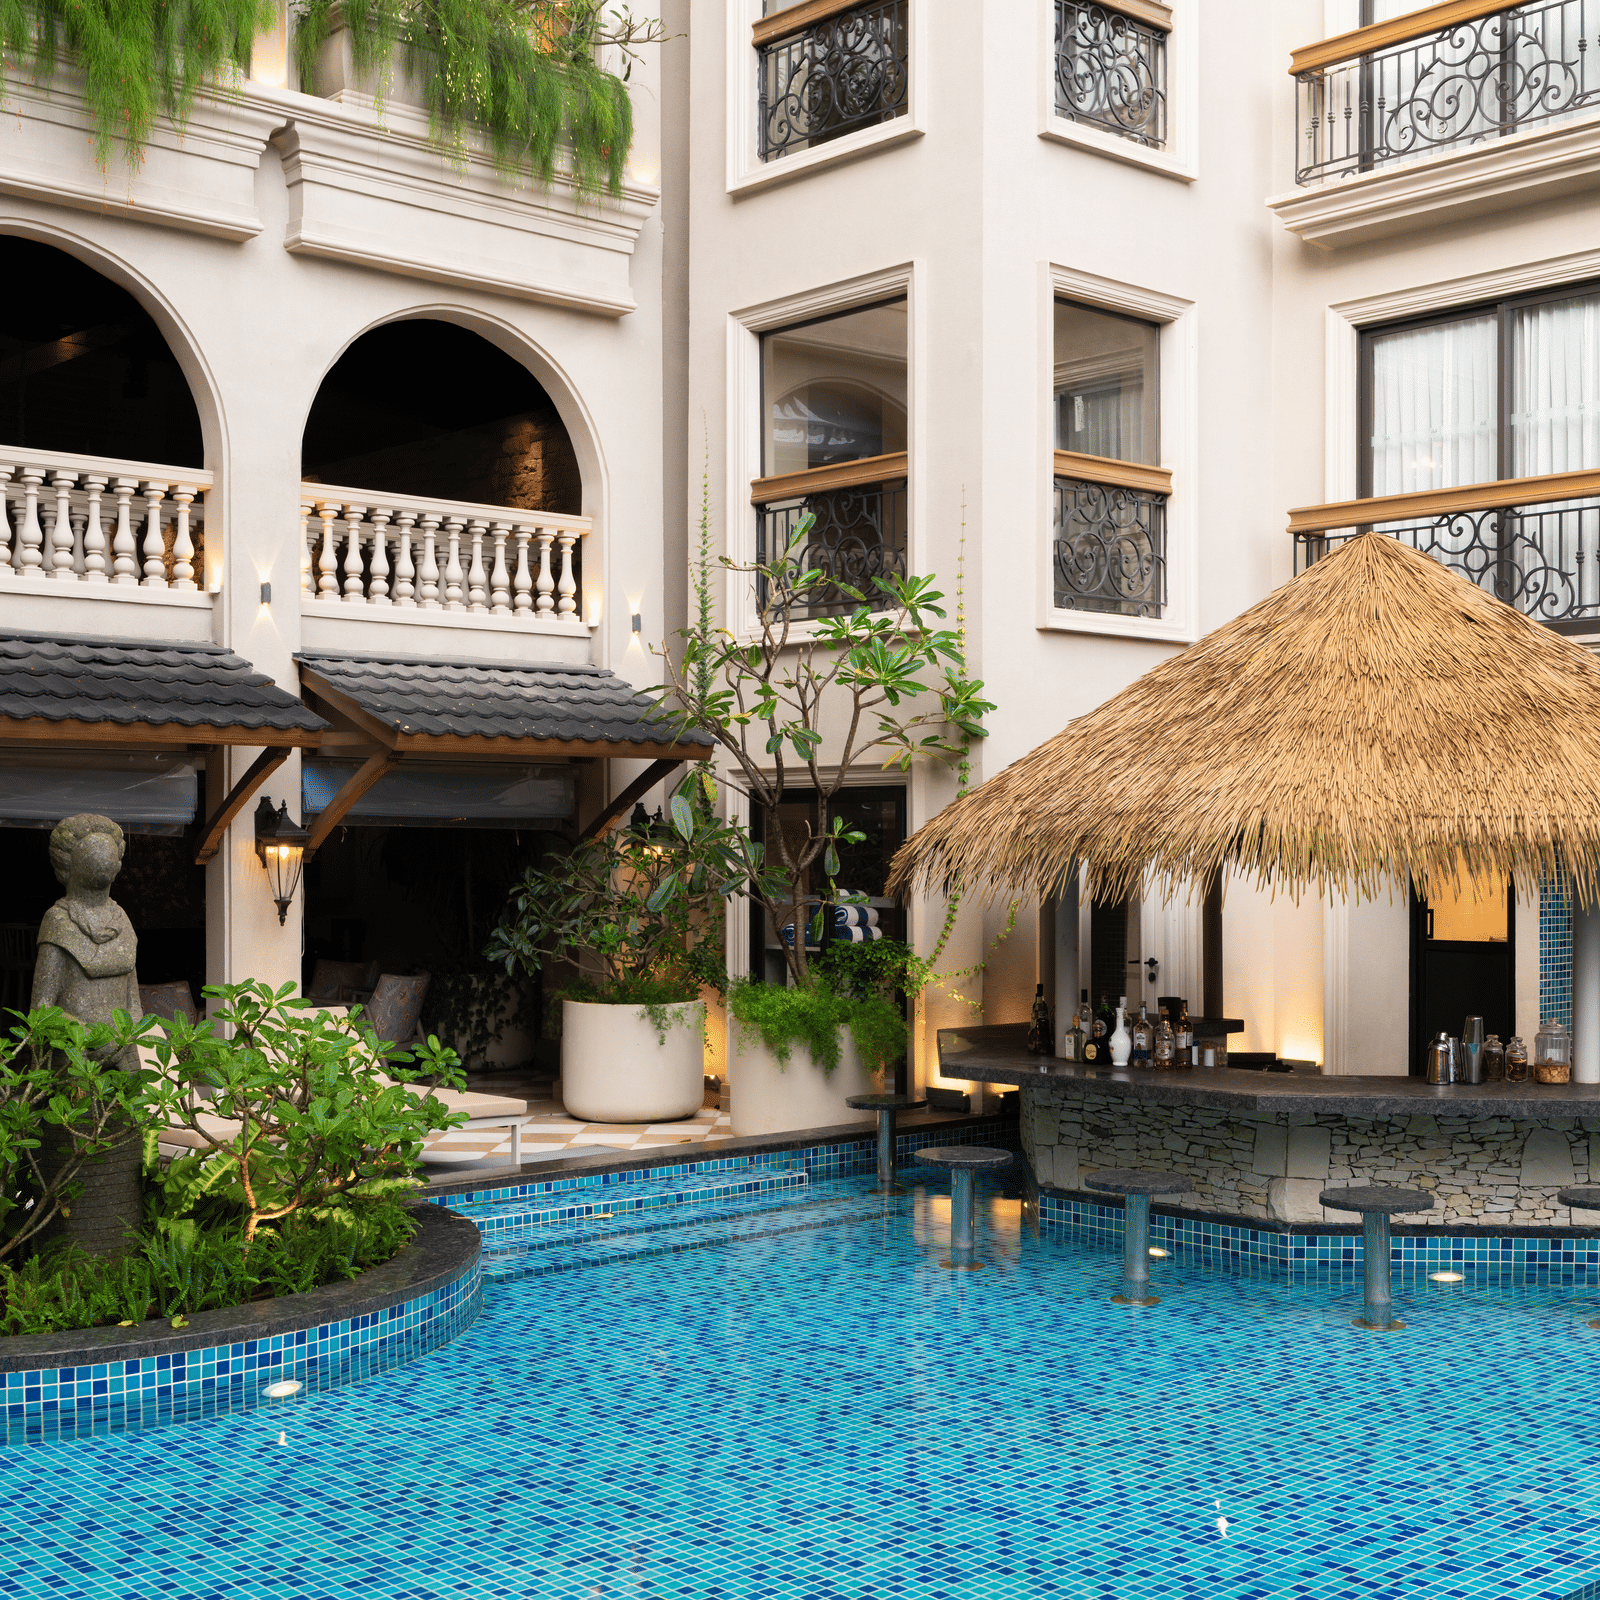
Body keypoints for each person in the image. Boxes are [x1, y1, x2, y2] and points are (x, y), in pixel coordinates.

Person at [30, 813, 144, 1258]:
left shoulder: (125, 923)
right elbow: (42, 1010)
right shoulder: (57, 923)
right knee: (79, 1168)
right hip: (74, 1067)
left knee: (124, 1161)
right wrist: (86, 1038)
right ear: (67, 866)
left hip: (124, 1062)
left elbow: (133, 999)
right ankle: (73, 1268)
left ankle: (127, 1262)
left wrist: (124, 1039)